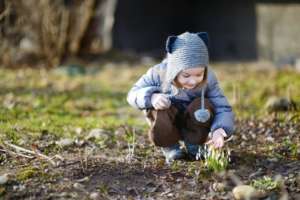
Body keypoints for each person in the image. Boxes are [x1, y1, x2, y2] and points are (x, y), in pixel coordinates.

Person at [127, 32, 234, 163]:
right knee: (160, 108)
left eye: (199, 74)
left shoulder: (208, 79)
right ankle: (171, 147)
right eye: (186, 76)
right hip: (167, 121)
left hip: (194, 122)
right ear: (174, 70)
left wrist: (220, 129)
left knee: (204, 105)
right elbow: (132, 95)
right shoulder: (158, 74)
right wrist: (152, 97)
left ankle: (194, 145)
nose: (193, 81)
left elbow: (222, 106)